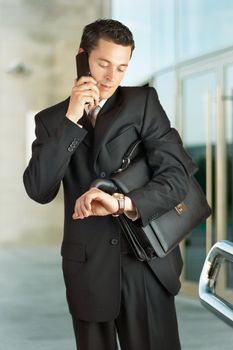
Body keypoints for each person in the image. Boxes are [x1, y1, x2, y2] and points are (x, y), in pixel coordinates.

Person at [23, 19, 191, 350]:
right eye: (103, 64)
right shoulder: (51, 121)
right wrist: (71, 120)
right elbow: (39, 189)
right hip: (88, 267)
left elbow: (176, 177)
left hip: (147, 262)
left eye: (121, 68)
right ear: (82, 57)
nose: (111, 77)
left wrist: (125, 203)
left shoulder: (143, 104)